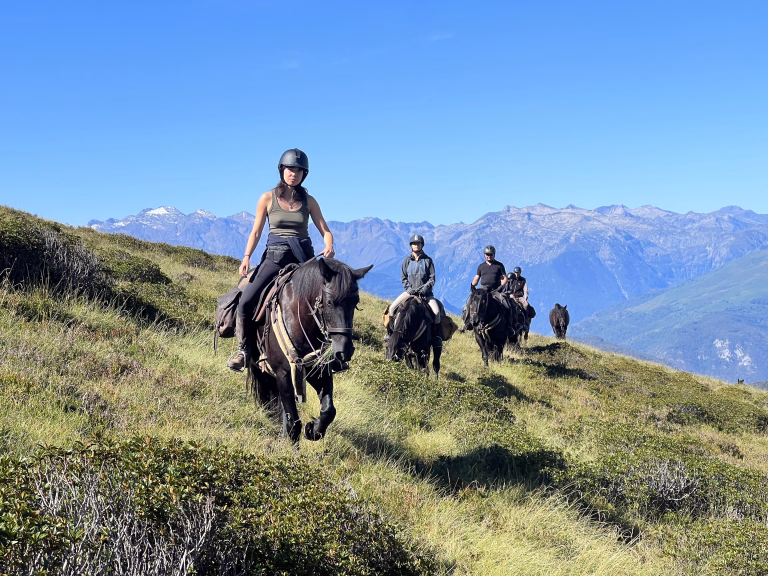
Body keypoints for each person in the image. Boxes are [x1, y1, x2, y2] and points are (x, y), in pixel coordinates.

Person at [227, 148, 335, 371]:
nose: (293, 174)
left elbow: (325, 229)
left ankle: (333, 352)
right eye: (289, 169)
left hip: (304, 259)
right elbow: (256, 232)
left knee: (332, 296)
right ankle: (243, 350)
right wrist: (246, 257)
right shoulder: (267, 198)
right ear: (281, 171)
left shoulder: (310, 201)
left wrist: (329, 244)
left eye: (297, 170)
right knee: (246, 299)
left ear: (304, 174)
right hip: (275, 258)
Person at [386, 234, 443, 350]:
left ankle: (436, 338)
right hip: (410, 293)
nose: (416, 245)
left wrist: (426, 288)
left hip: (426, 295)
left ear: (422, 245)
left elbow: (432, 278)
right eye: (414, 244)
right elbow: (403, 277)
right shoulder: (406, 261)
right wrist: (408, 288)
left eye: (418, 243)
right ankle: (391, 334)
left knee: (436, 313)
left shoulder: (428, 260)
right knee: (392, 309)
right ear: (411, 246)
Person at [461, 245, 516, 339]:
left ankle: (509, 326)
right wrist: (473, 286)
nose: (489, 256)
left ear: (494, 255)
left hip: (495, 290)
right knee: (468, 304)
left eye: (491, 254)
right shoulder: (481, 266)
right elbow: (477, 277)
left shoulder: (499, 265)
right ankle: (467, 324)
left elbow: (504, 277)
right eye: (487, 254)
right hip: (482, 289)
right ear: (484, 255)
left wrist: (501, 286)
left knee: (507, 304)